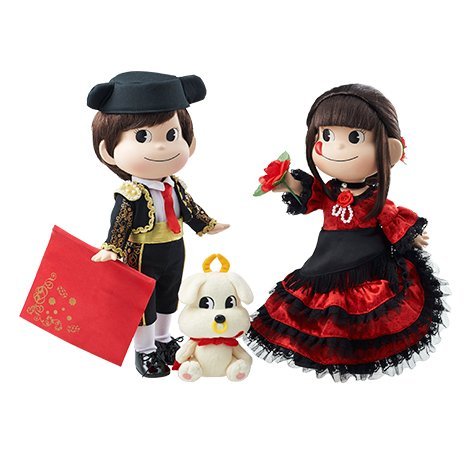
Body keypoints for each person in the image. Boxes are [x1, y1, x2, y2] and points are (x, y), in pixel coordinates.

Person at [246, 84, 448, 381]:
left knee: (364, 309)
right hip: (327, 258)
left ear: (390, 149)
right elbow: (308, 197)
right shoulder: (327, 191)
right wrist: (288, 183)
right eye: (326, 136)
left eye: (354, 138)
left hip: (367, 263)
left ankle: (355, 353)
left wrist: (411, 237)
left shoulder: (375, 200)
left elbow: (393, 220)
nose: (336, 148)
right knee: (318, 305)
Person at [88, 71, 229, 378]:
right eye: (142, 137)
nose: (162, 147)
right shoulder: (131, 193)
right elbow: (121, 222)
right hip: (142, 253)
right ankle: (145, 349)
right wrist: (112, 248)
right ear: (108, 150)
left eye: (172, 135)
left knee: (169, 295)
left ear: (189, 142)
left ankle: (164, 339)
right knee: (143, 302)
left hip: (174, 248)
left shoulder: (174, 185)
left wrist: (207, 224)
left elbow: (189, 209)